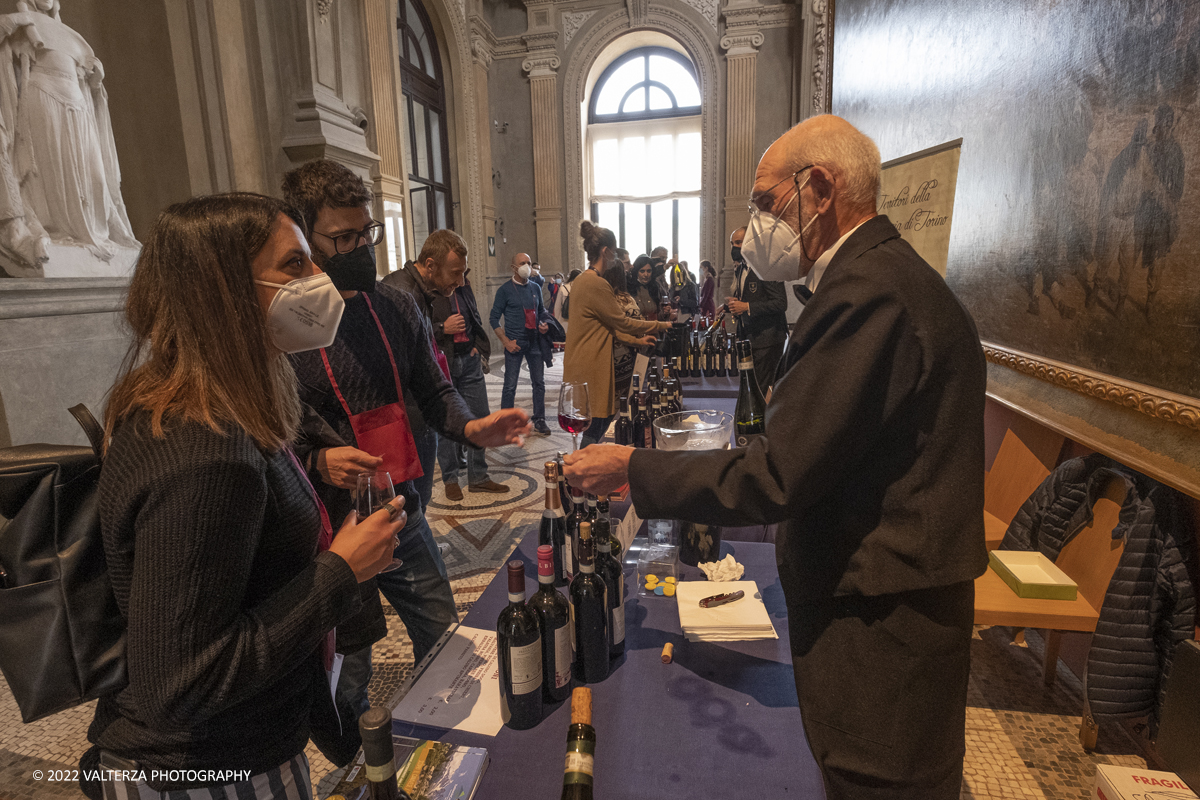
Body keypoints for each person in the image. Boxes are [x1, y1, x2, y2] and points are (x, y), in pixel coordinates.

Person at [565, 115, 987, 800]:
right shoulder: (879, 277)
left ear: (818, 188)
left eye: (765, 203)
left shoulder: (870, 291)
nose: (758, 222)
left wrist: (630, 469)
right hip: (889, 604)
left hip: (884, 629)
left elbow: (777, 473)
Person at [83, 193, 405, 799]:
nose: (319, 280)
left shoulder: (229, 402)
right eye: (294, 266)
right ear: (222, 291)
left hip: (244, 748)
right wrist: (340, 570)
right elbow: (179, 685)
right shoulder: (206, 451)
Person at [282, 161, 530, 725]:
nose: (359, 249)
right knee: (351, 676)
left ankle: (447, 741)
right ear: (306, 239)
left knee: (444, 640)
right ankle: (364, 770)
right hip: (333, 534)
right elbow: (271, 430)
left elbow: (434, 386)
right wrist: (318, 458)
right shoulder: (285, 324)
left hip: (401, 510)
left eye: (365, 234)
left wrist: (471, 428)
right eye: (342, 238)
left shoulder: (394, 307)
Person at [563, 220, 670, 448]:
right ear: (606, 251)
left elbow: (609, 329)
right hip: (592, 363)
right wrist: (663, 326)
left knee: (595, 425)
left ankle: (586, 473)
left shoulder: (581, 280)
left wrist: (637, 340)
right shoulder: (597, 284)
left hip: (581, 361)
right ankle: (586, 475)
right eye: (614, 251)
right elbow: (623, 322)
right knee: (597, 427)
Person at [431, 268, 509, 501]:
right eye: (456, 272)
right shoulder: (428, 291)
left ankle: (478, 477)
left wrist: (479, 347)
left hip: (469, 360)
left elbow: (475, 318)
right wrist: (443, 328)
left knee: (480, 417)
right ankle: (451, 478)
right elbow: (418, 327)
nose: (461, 278)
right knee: (446, 420)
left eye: (463, 272)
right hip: (444, 361)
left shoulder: (464, 287)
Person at [491, 252, 553, 435]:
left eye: (528, 262)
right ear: (514, 268)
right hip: (515, 344)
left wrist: (544, 323)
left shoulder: (535, 287)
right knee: (510, 385)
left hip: (534, 342)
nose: (527, 266)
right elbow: (494, 318)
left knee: (539, 383)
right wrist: (506, 341)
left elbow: (542, 311)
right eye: (522, 263)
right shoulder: (504, 290)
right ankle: (506, 422)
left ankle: (540, 419)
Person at [726, 225, 788, 394]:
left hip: (767, 338)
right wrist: (728, 306)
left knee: (763, 387)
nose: (734, 247)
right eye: (732, 243)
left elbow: (780, 303)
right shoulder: (741, 268)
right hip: (749, 337)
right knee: (750, 385)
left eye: (739, 242)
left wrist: (747, 306)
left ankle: (764, 420)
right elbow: (749, 298)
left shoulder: (767, 266)